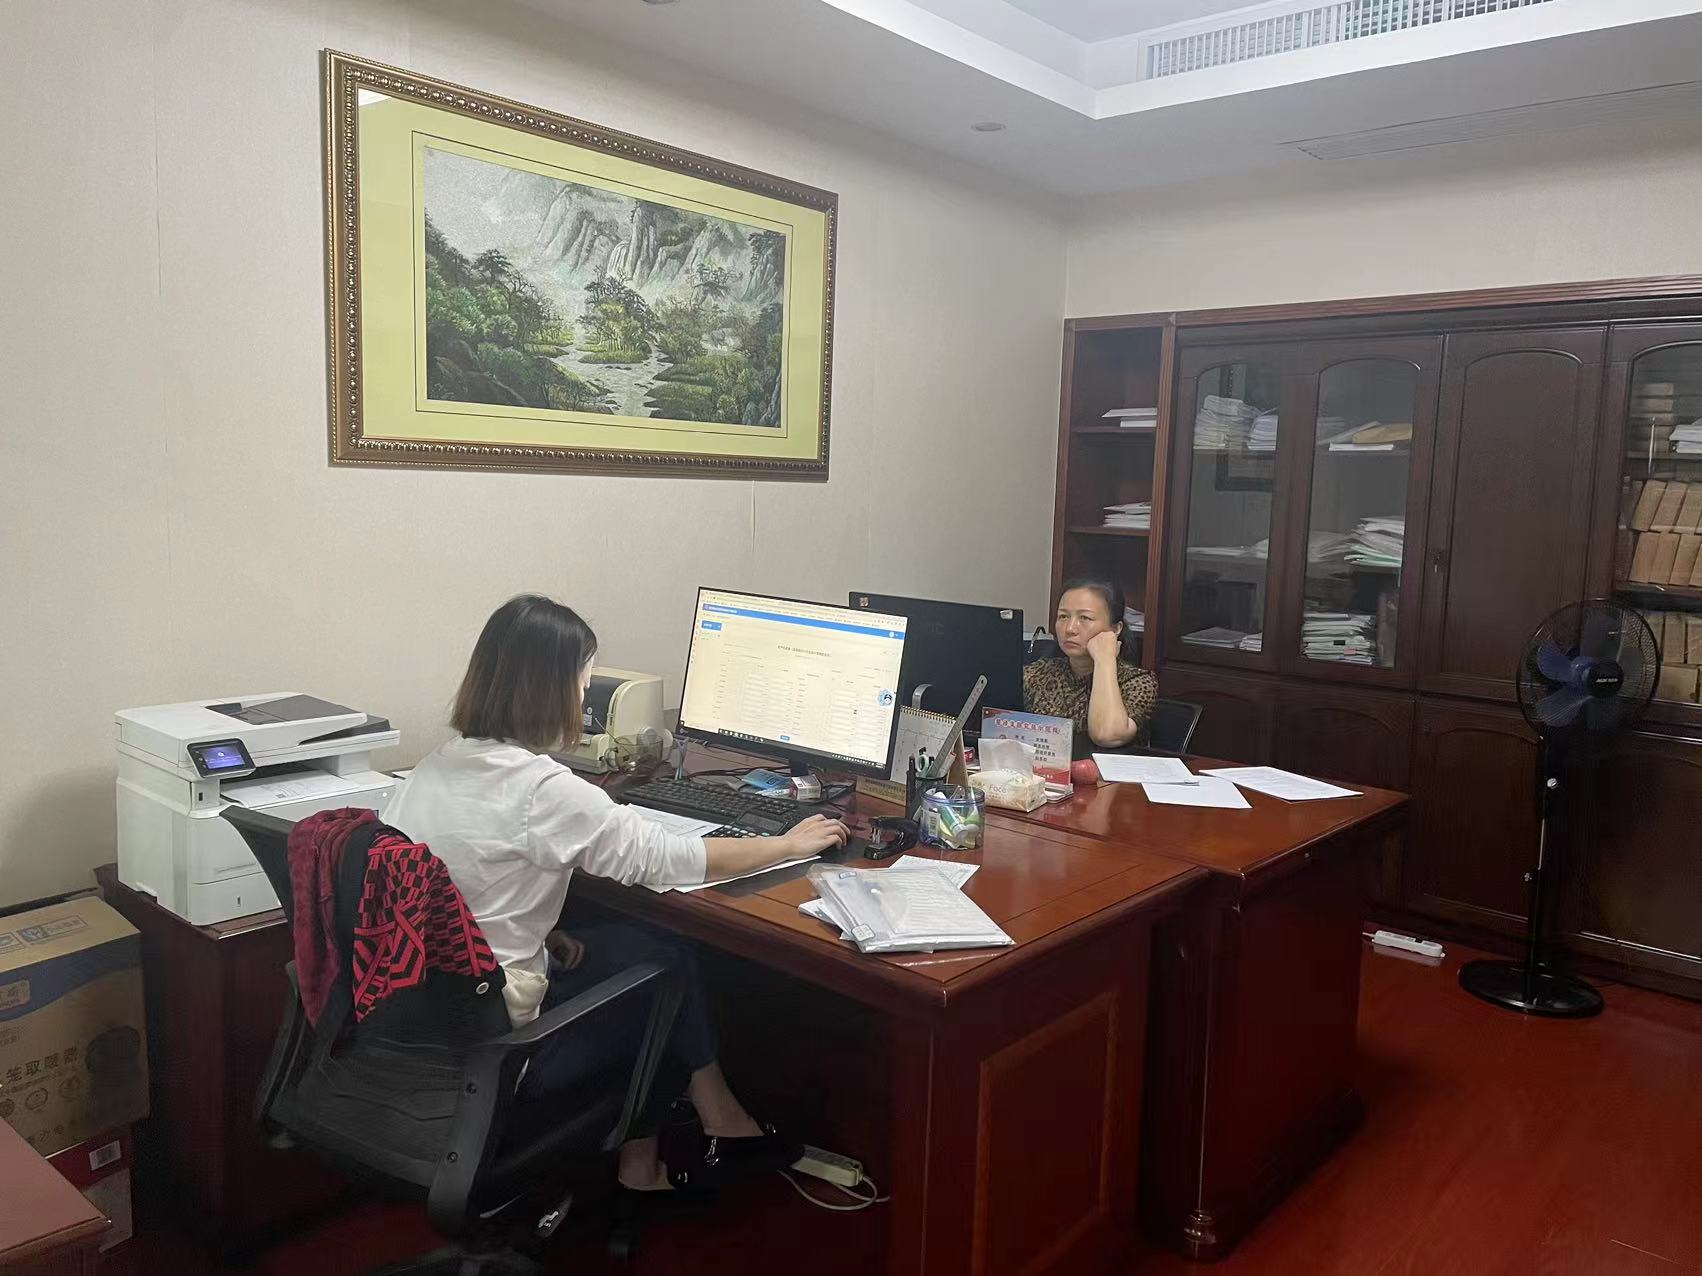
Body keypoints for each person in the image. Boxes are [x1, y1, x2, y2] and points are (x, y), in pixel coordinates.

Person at [385, 594, 848, 1195]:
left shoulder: (431, 770)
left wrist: (544, 929)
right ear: (550, 690)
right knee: (667, 968)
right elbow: (672, 860)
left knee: (644, 944)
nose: (584, 702)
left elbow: (452, 886)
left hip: (427, 1023)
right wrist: (787, 844)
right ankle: (682, 1149)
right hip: (501, 1046)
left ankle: (686, 1140)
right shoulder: (542, 790)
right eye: (581, 685)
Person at [1023, 578, 1157, 750]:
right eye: (1063, 616)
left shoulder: (1138, 682)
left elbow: (1106, 735)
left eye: (1085, 618)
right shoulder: (1038, 672)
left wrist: (1105, 660)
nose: (1070, 629)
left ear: (1116, 628)